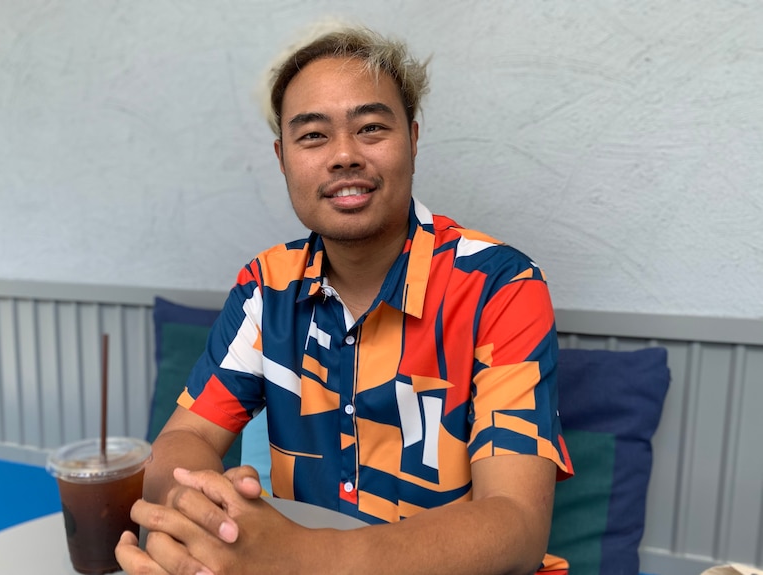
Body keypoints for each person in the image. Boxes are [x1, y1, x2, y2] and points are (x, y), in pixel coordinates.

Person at [116, 21, 572, 575]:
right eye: (313, 136)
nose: (344, 156)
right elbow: (183, 438)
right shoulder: (266, 287)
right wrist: (209, 511)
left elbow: (517, 524)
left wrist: (305, 557)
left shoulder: (501, 285)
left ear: (414, 139)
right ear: (283, 158)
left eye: (372, 128)